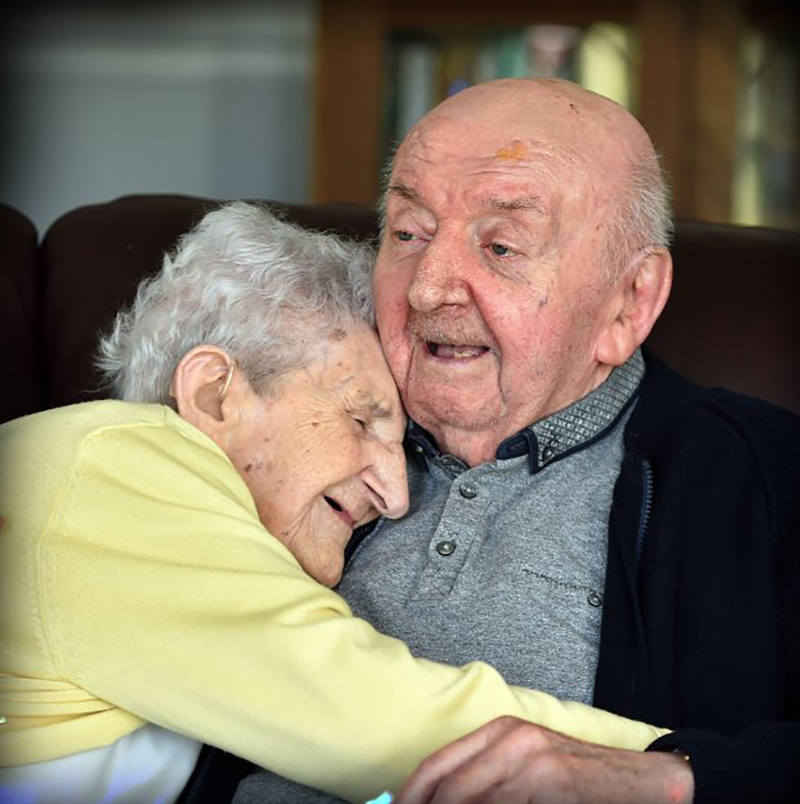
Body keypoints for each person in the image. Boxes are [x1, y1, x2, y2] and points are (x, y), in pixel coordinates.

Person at [238, 78, 799, 803]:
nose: (427, 288)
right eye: (407, 234)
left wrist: (667, 779)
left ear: (629, 302)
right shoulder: (276, 417)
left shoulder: (768, 477)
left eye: (501, 246)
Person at [0, 201, 671, 804]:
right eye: (359, 420)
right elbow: (377, 718)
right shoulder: (107, 471)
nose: (396, 495)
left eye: (400, 446)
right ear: (213, 395)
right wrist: (681, 771)